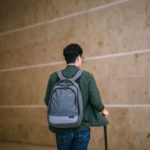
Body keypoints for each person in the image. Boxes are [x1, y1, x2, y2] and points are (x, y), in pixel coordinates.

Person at [44, 43, 109, 150]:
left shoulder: (54, 77)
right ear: (78, 58)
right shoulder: (87, 76)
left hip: (61, 127)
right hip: (81, 126)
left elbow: (47, 101)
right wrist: (102, 109)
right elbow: (95, 100)